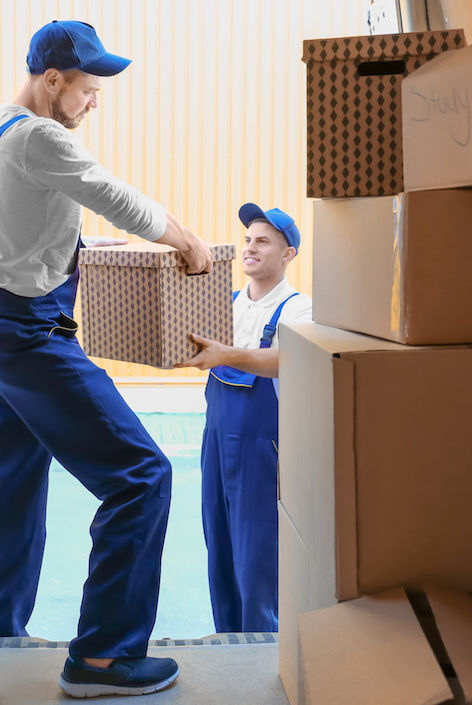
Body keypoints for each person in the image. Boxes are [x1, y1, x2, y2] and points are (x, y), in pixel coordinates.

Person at [0, 20, 213, 698]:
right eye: (88, 89)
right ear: (52, 82)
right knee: (143, 474)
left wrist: (77, 253)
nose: (94, 102)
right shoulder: (43, 135)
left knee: (9, 493)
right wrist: (187, 241)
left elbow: (18, 226)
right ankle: (102, 659)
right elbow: (116, 196)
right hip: (28, 339)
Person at [176, 203, 312, 633]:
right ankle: (228, 644)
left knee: (257, 556)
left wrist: (225, 353)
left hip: (261, 448)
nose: (250, 248)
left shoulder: (299, 309)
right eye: (248, 240)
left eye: (263, 241)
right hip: (215, 441)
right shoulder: (224, 303)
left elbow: (285, 360)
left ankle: (262, 654)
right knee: (219, 546)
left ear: (288, 254)